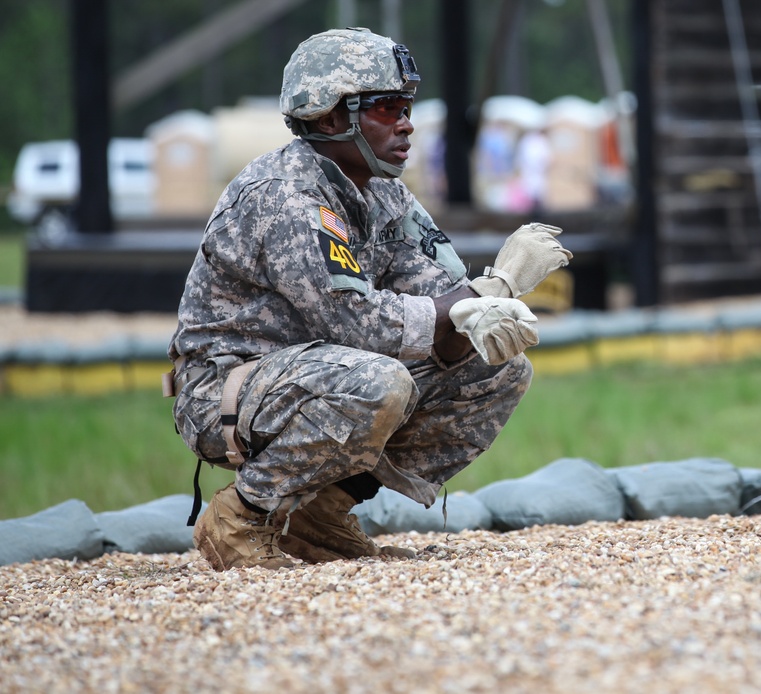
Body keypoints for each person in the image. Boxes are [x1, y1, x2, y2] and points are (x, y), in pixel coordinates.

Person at [165, 28, 571, 571]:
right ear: (330, 117)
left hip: (319, 374)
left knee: (498, 370)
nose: (407, 122)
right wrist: (474, 304)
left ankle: (321, 514)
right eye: (386, 107)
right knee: (380, 380)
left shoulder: (381, 191)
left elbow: (433, 290)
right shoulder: (285, 196)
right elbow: (358, 325)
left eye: (407, 106)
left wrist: (492, 294)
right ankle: (243, 515)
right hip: (226, 391)